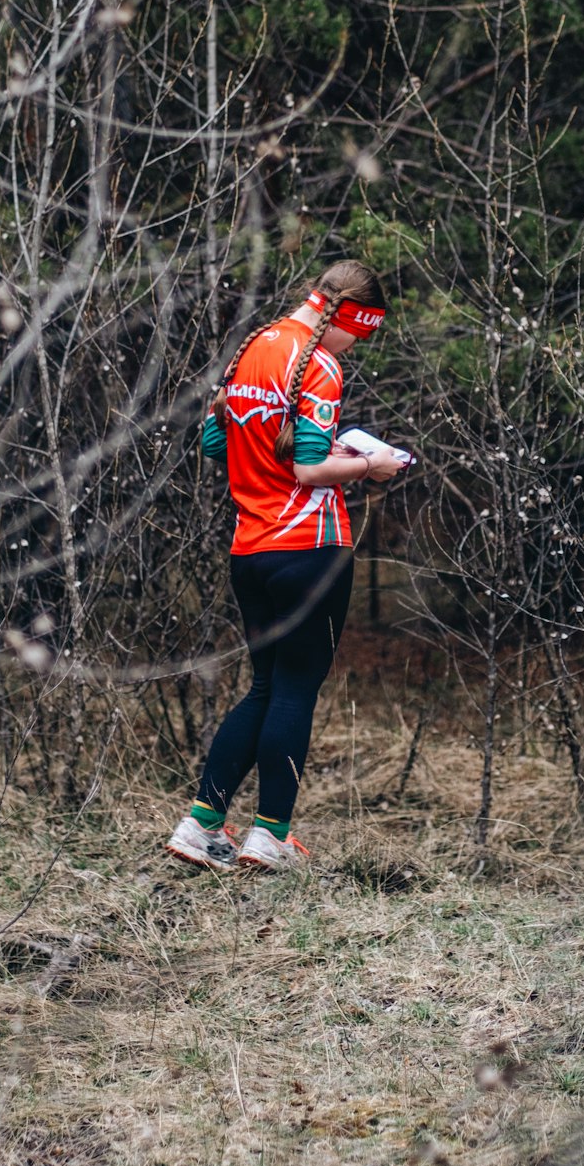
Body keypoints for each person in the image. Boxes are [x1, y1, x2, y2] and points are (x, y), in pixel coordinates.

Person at [166, 259, 405, 872]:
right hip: (309, 548)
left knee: (267, 687)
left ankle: (201, 825)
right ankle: (271, 835)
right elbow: (307, 470)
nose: (358, 345)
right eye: (364, 333)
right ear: (349, 316)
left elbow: (215, 444)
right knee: (296, 690)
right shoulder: (319, 364)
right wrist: (370, 466)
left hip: (251, 548)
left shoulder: (252, 350)